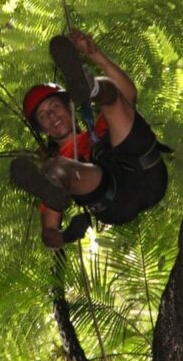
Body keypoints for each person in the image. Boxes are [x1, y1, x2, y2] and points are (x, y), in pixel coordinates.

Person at [10, 30, 170, 249]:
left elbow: (128, 94)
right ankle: (61, 184)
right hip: (112, 199)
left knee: (112, 93)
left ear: (69, 106)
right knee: (55, 168)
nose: (52, 115)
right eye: (43, 115)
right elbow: (48, 234)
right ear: (43, 129)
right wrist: (66, 236)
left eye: (54, 106)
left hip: (144, 170)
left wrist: (95, 55)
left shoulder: (100, 128)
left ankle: (90, 87)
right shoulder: (60, 162)